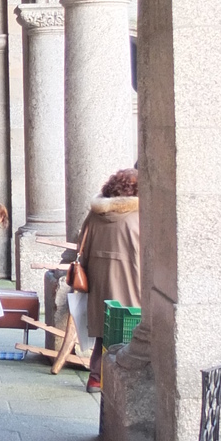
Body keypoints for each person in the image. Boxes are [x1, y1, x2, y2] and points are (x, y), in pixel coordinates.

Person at [76, 167, 141, 394]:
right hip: (132, 284)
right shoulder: (138, 218)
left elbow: (81, 249)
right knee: (130, 331)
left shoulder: (95, 215)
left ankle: (96, 377)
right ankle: (122, 381)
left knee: (104, 332)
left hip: (99, 285)